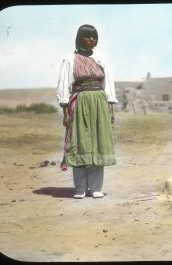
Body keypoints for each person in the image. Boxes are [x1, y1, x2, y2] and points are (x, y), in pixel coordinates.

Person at [56, 24, 117, 199]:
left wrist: (111, 109)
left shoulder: (101, 59)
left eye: (94, 37)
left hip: (99, 103)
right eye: (88, 36)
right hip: (80, 102)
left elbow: (109, 85)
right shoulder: (70, 59)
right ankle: (80, 188)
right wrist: (66, 112)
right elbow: (64, 86)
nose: (92, 40)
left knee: (99, 143)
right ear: (79, 38)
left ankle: (96, 187)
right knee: (81, 143)